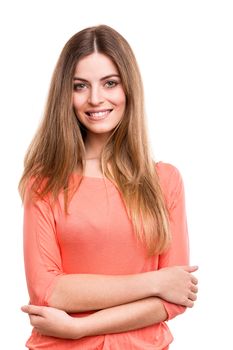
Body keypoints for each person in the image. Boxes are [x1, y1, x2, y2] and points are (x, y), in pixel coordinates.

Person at [19, 24, 198, 350]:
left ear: (128, 89)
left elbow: (174, 299)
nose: (95, 98)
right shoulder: (44, 182)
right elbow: (48, 291)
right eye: (80, 86)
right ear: (65, 94)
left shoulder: (165, 181)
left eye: (110, 83)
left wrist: (80, 327)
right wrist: (155, 282)